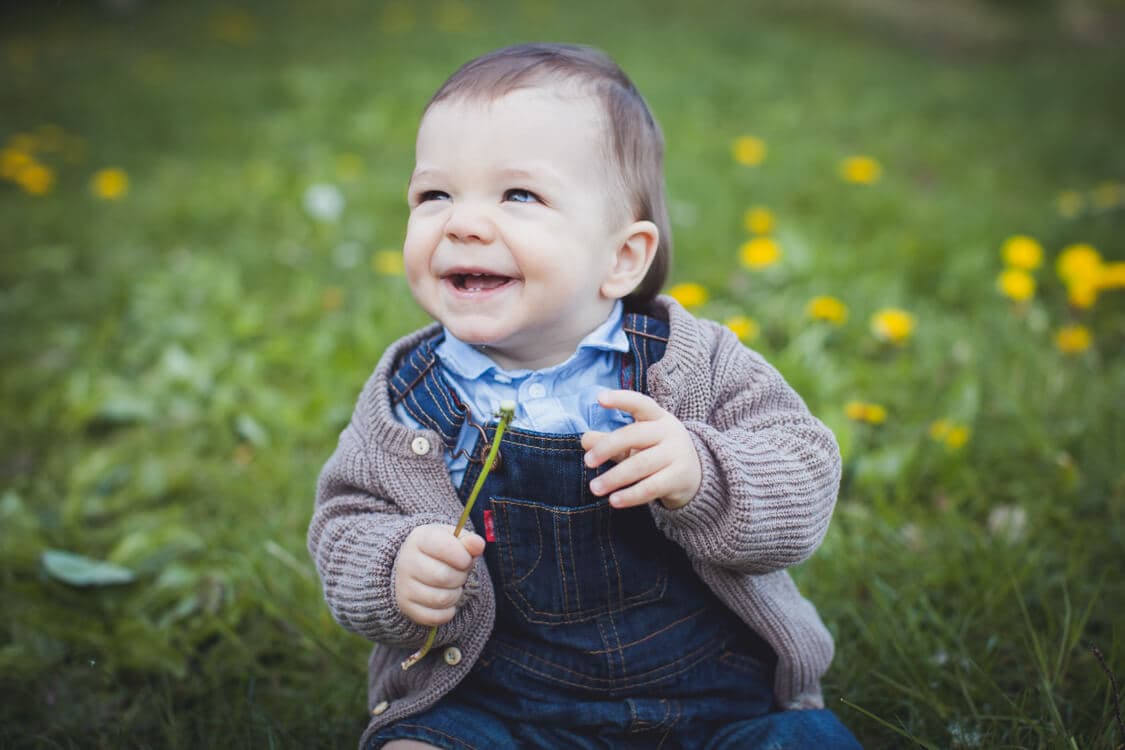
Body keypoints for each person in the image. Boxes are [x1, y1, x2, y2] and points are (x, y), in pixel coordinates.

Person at [308, 42, 862, 749]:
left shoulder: (694, 364)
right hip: (495, 705)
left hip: (715, 696)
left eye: (519, 195)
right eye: (434, 195)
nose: (462, 223)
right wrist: (393, 568)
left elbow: (804, 474)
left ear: (621, 258)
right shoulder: (409, 399)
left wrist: (703, 474)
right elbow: (344, 522)